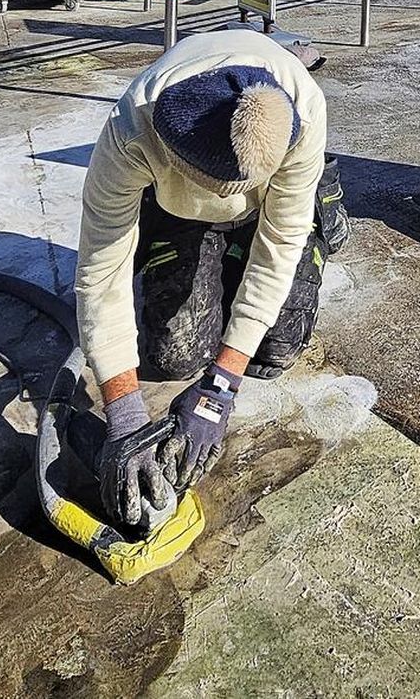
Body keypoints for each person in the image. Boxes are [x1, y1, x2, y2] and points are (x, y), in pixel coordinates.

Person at [74, 29, 345, 526]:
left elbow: (279, 246)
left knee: (276, 349)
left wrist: (221, 387)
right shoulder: (132, 128)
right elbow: (100, 271)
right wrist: (125, 417)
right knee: (175, 357)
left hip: (271, 204)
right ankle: (204, 238)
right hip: (178, 208)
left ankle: (323, 202)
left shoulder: (303, 112)